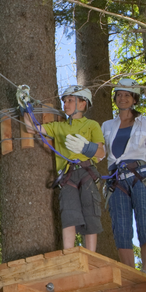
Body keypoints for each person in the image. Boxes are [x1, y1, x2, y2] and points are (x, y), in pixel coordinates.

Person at [101, 79, 146, 275]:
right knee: (120, 227)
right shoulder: (107, 126)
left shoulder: (145, 123)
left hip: (140, 175)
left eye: (127, 95)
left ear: (134, 99)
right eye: (119, 95)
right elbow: (100, 153)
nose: (122, 98)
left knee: (145, 220)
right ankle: (130, 273)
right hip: (116, 179)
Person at [36, 84, 107, 251]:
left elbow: (101, 153)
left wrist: (86, 148)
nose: (65, 104)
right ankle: (68, 253)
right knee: (68, 213)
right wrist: (25, 108)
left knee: (90, 212)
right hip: (68, 175)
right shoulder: (59, 127)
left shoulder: (91, 125)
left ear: (82, 103)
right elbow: (33, 128)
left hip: (87, 171)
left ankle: (91, 254)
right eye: (64, 101)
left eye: (70, 100)